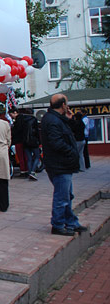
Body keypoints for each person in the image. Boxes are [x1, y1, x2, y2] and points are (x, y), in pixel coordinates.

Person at [40, 94, 87, 236]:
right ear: (63, 105)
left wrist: (69, 119)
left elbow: (70, 132)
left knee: (67, 195)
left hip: (61, 163)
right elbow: (56, 142)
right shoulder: (52, 120)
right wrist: (71, 151)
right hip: (59, 164)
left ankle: (71, 222)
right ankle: (58, 224)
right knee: (62, 197)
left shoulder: (56, 118)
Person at [8, 107, 29, 178]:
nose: (11, 116)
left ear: (15, 113)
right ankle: (26, 170)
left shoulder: (18, 120)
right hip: (24, 140)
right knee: (25, 156)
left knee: (20, 156)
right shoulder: (24, 119)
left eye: (11, 115)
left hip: (18, 140)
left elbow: (17, 130)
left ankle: (23, 170)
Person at [21, 109, 41, 181]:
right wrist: (39, 140)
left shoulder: (22, 120)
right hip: (33, 141)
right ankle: (32, 171)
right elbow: (36, 131)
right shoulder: (34, 119)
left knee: (29, 158)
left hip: (25, 141)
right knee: (37, 156)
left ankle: (30, 172)